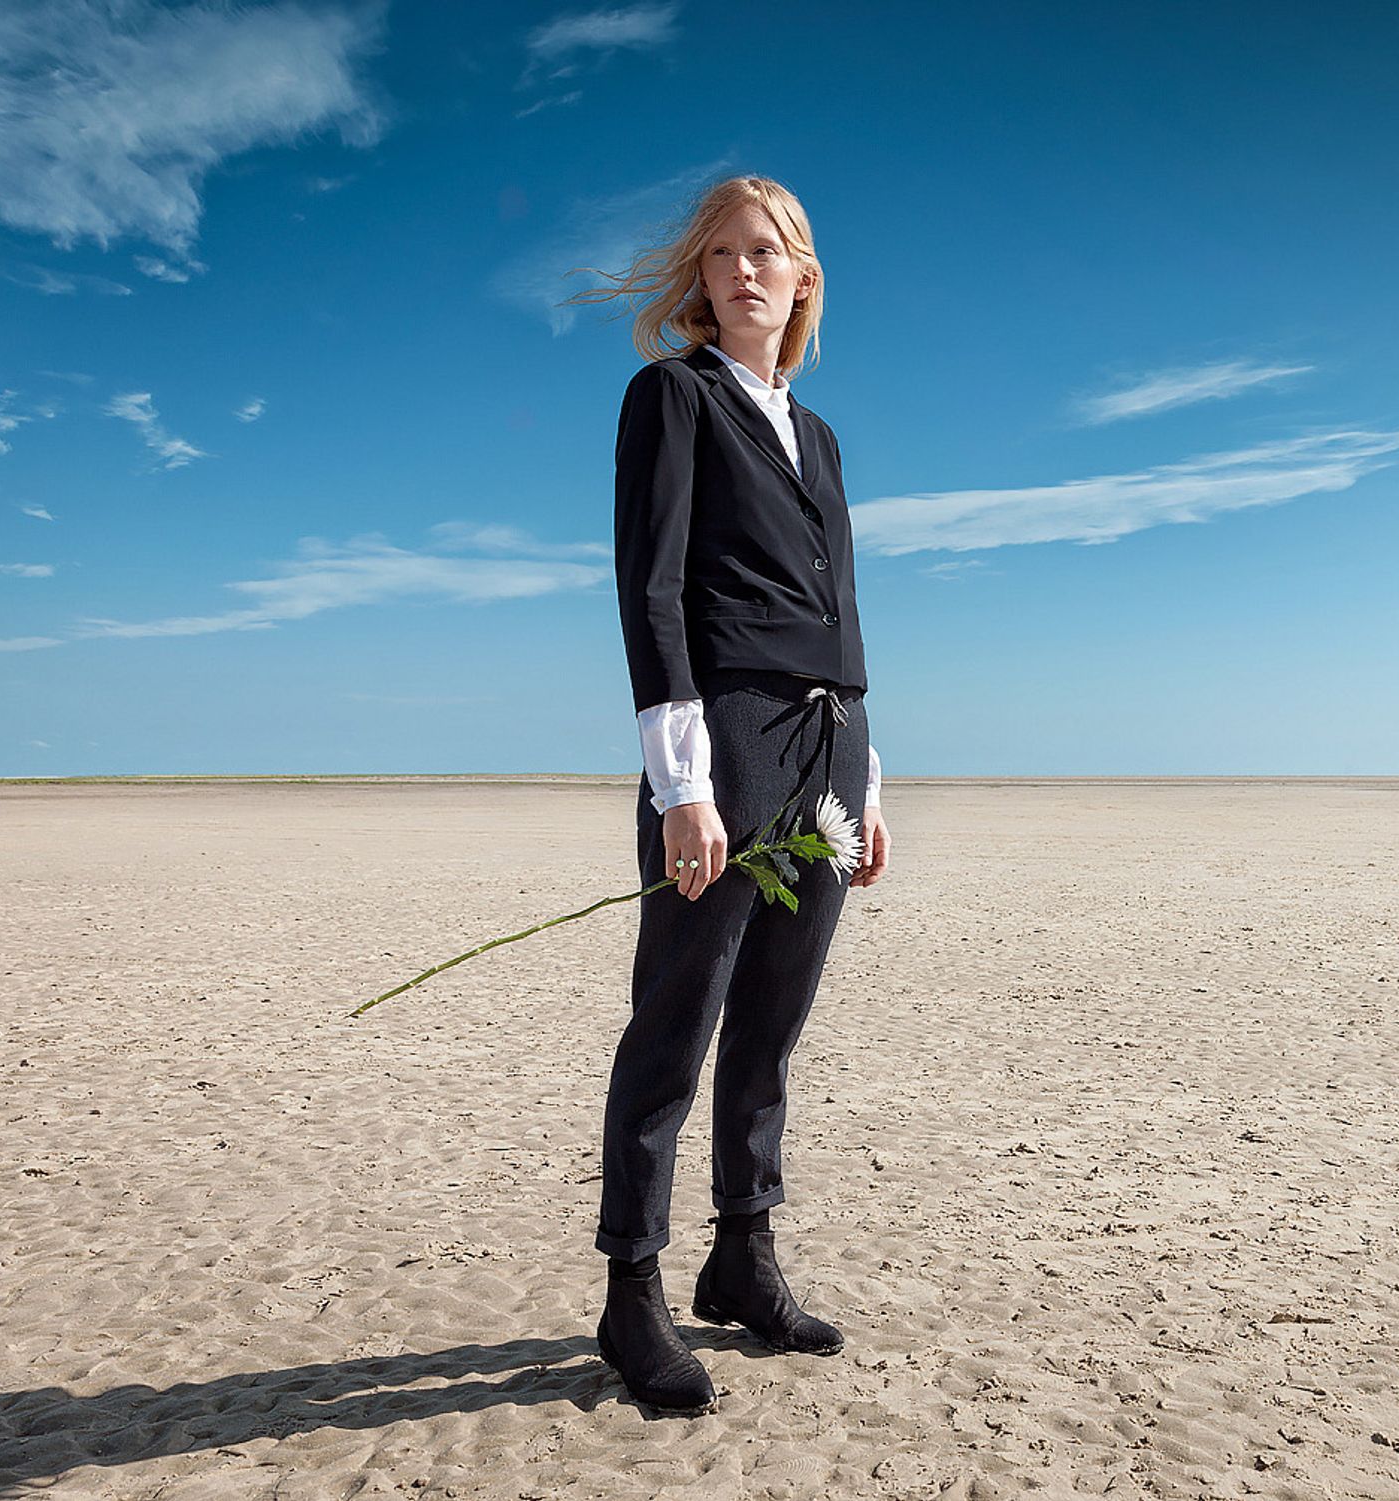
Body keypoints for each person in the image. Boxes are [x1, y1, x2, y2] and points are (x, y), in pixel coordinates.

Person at [563, 174, 891, 1413]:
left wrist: (872, 772)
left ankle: (742, 1258)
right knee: (676, 1022)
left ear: (802, 275)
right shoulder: (672, 399)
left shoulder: (821, 437)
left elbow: (842, 611)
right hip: (728, 745)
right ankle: (631, 1292)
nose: (743, 271)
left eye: (767, 252)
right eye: (721, 255)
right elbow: (651, 595)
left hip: (829, 747)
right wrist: (682, 787)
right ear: (699, 280)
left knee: (771, 1026)